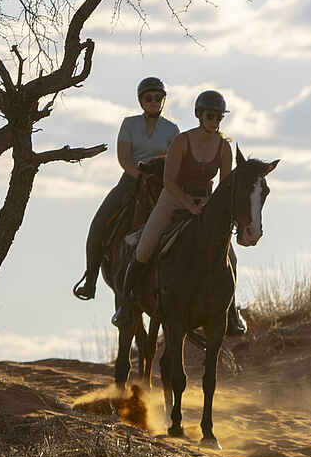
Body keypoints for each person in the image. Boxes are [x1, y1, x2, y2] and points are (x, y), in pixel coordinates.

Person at [114, 89, 245, 333]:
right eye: (209, 116)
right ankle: (126, 305)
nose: (214, 121)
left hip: (205, 202)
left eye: (218, 117)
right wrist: (188, 204)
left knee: (231, 258)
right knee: (143, 248)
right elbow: (169, 181)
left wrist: (208, 205)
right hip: (173, 198)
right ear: (198, 115)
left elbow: (225, 187)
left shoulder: (224, 148)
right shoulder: (182, 142)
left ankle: (231, 313)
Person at [73, 75, 177, 301]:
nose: (153, 101)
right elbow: (124, 158)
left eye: (158, 98)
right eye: (148, 98)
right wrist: (139, 176)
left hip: (163, 184)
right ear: (141, 101)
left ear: (162, 100)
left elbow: (176, 162)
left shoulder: (172, 129)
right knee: (98, 224)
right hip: (132, 180)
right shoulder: (129, 124)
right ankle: (90, 281)